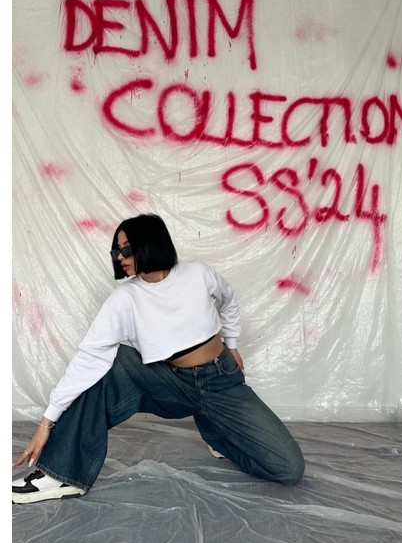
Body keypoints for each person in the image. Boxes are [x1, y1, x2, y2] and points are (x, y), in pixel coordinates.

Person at [12, 213, 304, 503]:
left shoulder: (198, 274)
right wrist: (47, 420)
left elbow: (228, 300)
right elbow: (89, 357)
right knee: (112, 362)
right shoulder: (125, 299)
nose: (119, 257)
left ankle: (218, 433)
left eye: (126, 249)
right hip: (171, 384)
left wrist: (232, 343)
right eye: (116, 251)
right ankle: (61, 474)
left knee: (288, 468)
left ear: (149, 243)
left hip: (221, 381)